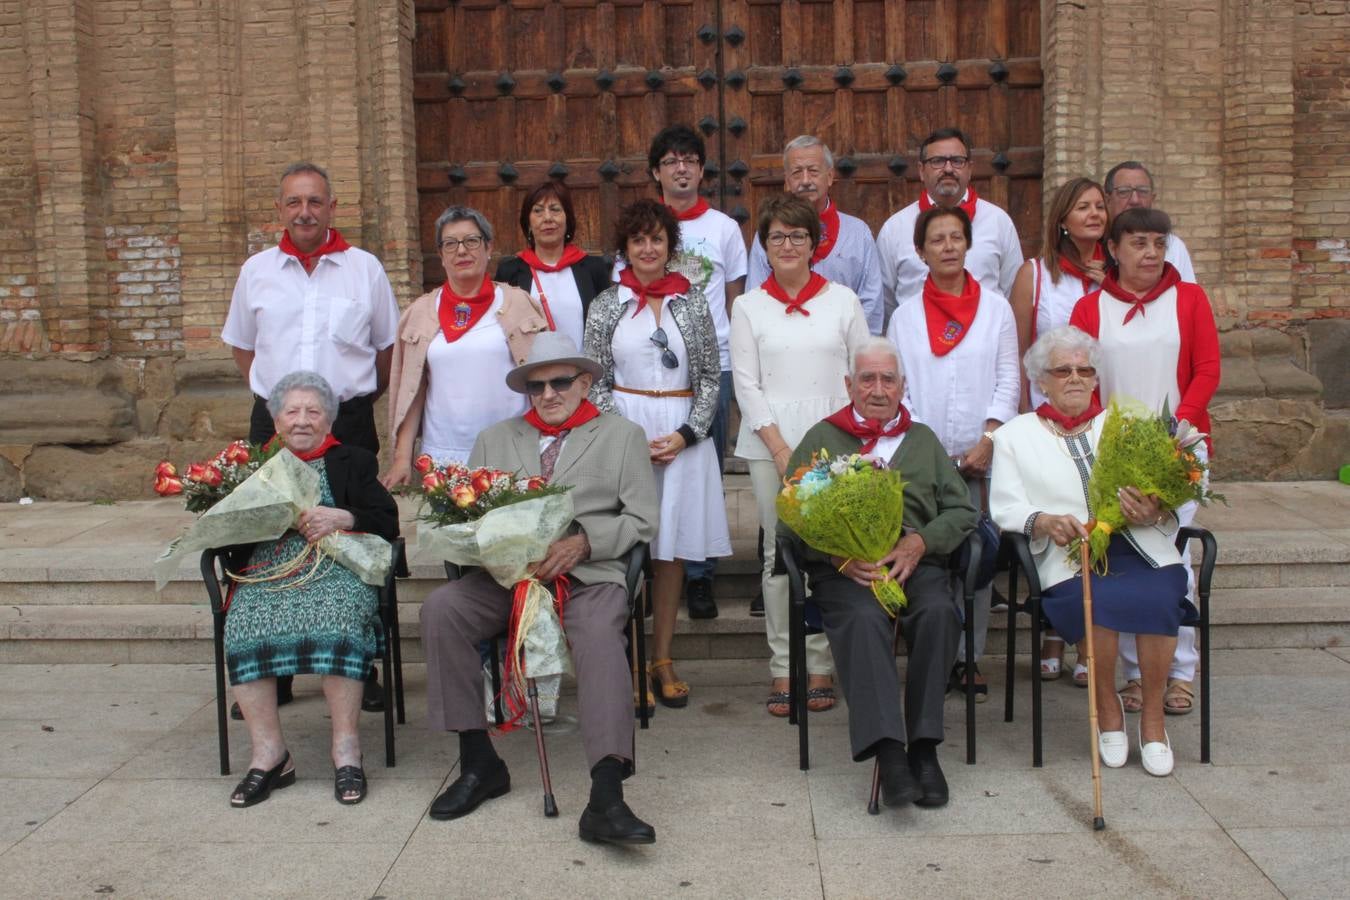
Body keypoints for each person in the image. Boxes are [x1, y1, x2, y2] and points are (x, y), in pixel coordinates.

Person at [420, 332, 661, 845]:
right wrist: (489, 548)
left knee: (599, 637)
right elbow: (472, 513)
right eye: (536, 386)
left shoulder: (622, 435)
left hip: (588, 575)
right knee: (442, 609)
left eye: (560, 382)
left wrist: (585, 543)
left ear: (586, 382)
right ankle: (478, 762)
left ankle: (606, 793)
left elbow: (643, 520)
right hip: (510, 578)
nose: (548, 395)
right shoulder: (495, 438)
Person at [222, 161, 400, 714]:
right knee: (268, 531)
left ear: (332, 208)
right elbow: (242, 345)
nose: (305, 212)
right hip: (274, 421)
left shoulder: (363, 269)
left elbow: (388, 348)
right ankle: (271, 667)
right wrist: (282, 406)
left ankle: (360, 660)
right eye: (294, 202)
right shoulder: (257, 270)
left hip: (345, 419)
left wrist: (344, 407)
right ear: (280, 209)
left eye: (315, 202)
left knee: (355, 535)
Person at [780, 338, 977, 808]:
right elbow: (791, 517)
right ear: (849, 385)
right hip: (847, 570)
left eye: (888, 378)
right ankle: (889, 752)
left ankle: (925, 749)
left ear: (902, 386)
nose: (877, 388)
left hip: (915, 564)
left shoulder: (924, 440)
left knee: (938, 612)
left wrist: (919, 542)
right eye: (867, 378)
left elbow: (962, 511)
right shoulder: (821, 439)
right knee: (864, 621)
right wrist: (837, 558)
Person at [990, 326, 1195, 776]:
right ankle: (1107, 708)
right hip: (1070, 554)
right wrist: (1042, 521)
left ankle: (1155, 721)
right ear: (1040, 380)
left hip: (1141, 547)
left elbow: (1174, 487)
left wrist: (1155, 507)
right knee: (1097, 600)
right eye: (1063, 370)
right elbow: (1005, 506)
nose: (1076, 378)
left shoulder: (1125, 427)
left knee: (1161, 594)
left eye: (1085, 370)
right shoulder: (1014, 436)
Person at [1069, 206, 1220, 719]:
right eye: (1138, 242)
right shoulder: (1091, 310)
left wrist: (1176, 431)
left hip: (1179, 448)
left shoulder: (1190, 299)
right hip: (1115, 454)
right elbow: (1081, 382)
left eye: (1158, 242)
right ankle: (1136, 675)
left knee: (1169, 550)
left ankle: (1180, 672)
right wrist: (1099, 443)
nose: (1151, 252)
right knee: (1126, 557)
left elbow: (1207, 369)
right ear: (1113, 249)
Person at [224, 371, 399, 807]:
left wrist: (345, 517)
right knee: (243, 623)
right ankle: (270, 756)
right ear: (276, 420)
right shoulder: (254, 468)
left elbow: (387, 520)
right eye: (292, 411)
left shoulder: (353, 461)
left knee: (338, 619)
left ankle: (346, 750)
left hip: (336, 566)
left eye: (313, 411)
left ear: (329, 420)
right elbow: (226, 540)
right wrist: (253, 518)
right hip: (269, 569)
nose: (302, 420)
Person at [585, 199, 731, 709]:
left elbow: (711, 375)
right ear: (625, 248)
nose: (648, 249)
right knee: (626, 549)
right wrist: (624, 438)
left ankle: (662, 659)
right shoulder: (607, 304)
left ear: (670, 248)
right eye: (638, 240)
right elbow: (595, 378)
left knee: (671, 552)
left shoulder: (691, 302)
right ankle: (626, 661)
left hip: (681, 436)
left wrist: (688, 434)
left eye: (657, 240)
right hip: (624, 435)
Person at [731, 194, 871, 717]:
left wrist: (846, 441)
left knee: (829, 551)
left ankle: (820, 665)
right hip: (772, 445)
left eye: (798, 236)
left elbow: (862, 372)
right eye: (777, 237)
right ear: (765, 248)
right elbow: (746, 383)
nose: (787, 245)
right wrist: (781, 447)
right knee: (778, 557)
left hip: (835, 444)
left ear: (815, 243)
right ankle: (782, 666)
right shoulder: (747, 306)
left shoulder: (844, 301)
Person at [885, 205, 1018, 701]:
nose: (947, 246)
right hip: (925, 459)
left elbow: (1009, 379)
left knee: (977, 559)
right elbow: (901, 389)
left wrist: (988, 439)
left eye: (955, 238)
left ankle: (969, 657)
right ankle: (926, 650)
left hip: (983, 458)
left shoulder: (997, 310)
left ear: (969, 245)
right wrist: (931, 453)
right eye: (936, 239)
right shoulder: (904, 317)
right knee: (926, 554)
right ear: (921, 252)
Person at [636, 124, 747, 619]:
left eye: (690, 159)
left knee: (705, 468)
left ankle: (700, 574)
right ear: (656, 172)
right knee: (648, 468)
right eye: (670, 160)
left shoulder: (723, 228)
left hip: (712, 367)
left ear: (701, 170)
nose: (681, 168)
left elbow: (734, 299)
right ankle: (646, 567)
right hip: (650, 376)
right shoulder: (644, 229)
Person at [381, 205, 549, 488]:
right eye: (450, 244)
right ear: (441, 255)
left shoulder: (519, 305)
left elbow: (545, 379)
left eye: (472, 241)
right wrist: (401, 456)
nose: (461, 251)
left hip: (512, 452)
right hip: (444, 458)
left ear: (488, 247)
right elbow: (413, 391)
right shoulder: (420, 314)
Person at [876, 128, 1023, 330]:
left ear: (970, 169)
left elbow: (1014, 291)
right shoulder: (895, 228)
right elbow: (886, 302)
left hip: (984, 343)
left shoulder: (998, 222)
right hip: (918, 345)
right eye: (937, 161)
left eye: (957, 161)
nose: (948, 169)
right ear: (921, 170)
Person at [746, 136, 884, 333]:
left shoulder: (857, 232)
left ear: (829, 177)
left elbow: (871, 303)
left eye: (813, 171)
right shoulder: (770, 234)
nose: (805, 181)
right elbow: (757, 298)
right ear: (786, 182)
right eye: (796, 173)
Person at [1009, 177, 1109, 410]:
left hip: (1108, 407)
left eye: (1100, 207)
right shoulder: (1034, 274)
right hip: (1049, 407)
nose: (1094, 213)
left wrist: (1113, 288)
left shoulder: (1118, 274)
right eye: (1083, 207)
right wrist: (1025, 415)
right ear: (1063, 221)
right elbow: (1018, 354)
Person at [494, 181, 613, 351]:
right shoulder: (510, 272)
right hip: (531, 374)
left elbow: (607, 329)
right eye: (538, 210)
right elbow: (502, 331)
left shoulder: (593, 268)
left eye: (555, 209)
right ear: (528, 222)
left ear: (568, 219)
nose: (547, 218)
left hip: (582, 374)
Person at [1103, 161, 1196, 282]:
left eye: (1143, 191)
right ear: (1107, 200)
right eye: (1124, 192)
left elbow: (1185, 297)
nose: (1135, 200)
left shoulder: (1173, 246)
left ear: (1152, 198)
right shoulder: (1092, 245)